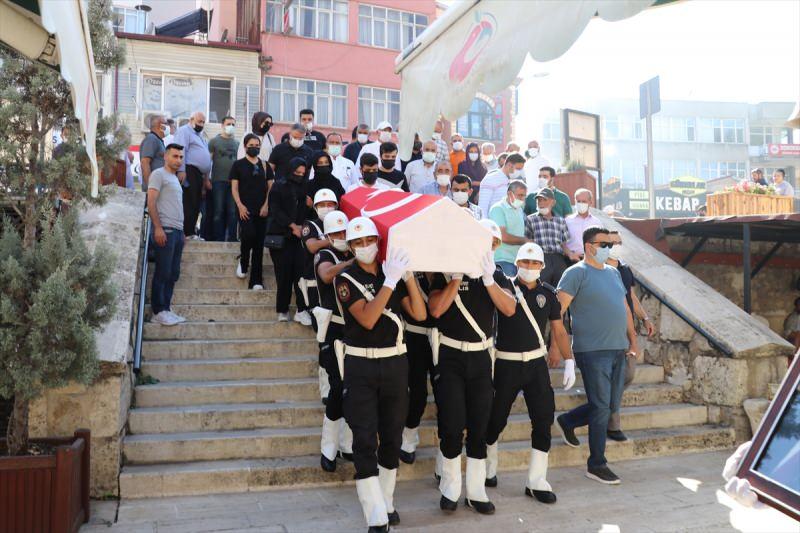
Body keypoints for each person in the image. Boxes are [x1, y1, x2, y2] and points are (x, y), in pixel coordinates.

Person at [334, 217, 427, 532]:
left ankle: (386, 502)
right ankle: (375, 516)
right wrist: (389, 282)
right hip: (361, 365)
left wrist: (408, 277)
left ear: (378, 241)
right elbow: (368, 318)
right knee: (363, 439)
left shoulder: (392, 273)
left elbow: (420, 313)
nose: (365, 247)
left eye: (369, 241)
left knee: (392, 437)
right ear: (350, 247)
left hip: (395, 364)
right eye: (358, 243)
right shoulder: (346, 278)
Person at [428, 219, 516, 515]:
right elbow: (436, 309)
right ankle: (450, 488)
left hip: (481, 357)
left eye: (493, 243)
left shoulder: (496, 274)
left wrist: (489, 280)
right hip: (451, 355)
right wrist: (456, 278)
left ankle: (476, 491)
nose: (488, 247)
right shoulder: (447, 272)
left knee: (479, 424)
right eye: (483, 241)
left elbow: (509, 308)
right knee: (452, 424)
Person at [484, 243, 576, 503]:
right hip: (507, 363)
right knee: (496, 418)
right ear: (517, 263)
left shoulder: (548, 293)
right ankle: (488, 466)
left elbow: (558, 330)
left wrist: (569, 360)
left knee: (543, 419)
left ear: (542, 267)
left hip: (536, 364)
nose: (529, 267)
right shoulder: (504, 288)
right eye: (525, 262)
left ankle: (536, 481)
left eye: (535, 263)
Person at [555, 227, 639, 485]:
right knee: (602, 406)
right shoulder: (575, 273)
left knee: (609, 406)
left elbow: (625, 308)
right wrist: (557, 347)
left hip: (618, 349)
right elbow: (557, 312)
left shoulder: (613, 273)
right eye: (604, 244)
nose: (608, 249)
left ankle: (568, 421)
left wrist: (633, 340)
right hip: (591, 351)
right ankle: (597, 464)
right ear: (589, 246)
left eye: (611, 245)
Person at [605, 230, 656, 440]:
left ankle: (602, 412)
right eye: (611, 243)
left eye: (619, 242)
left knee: (628, 375)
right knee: (615, 377)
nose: (616, 246)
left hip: (627, 327)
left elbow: (631, 297)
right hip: (608, 329)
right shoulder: (599, 269)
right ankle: (612, 425)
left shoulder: (624, 268)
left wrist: (645, 317)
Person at [315, 210, 355, 473]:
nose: (340, 236)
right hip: (333, 332)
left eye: (343, 232)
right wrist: (351, 262)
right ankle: (328, 447)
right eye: (335, 233)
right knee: (338, 388)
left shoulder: (352, 252)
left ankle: (346, 443)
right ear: (328, 235)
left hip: (353, 331)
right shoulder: (325, 254)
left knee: (353, 389)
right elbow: (327, 275)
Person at [267, 157, 311, 323]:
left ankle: (302, 309)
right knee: (283, 275)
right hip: (282, 236)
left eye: (302, 173)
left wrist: (309, 205)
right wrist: (292, 226)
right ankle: (282, 309)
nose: (299, 175)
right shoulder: (279, 186)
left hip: (299, 239)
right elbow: (275, 209)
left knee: (300, 274)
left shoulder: (305, 188)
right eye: (296, 172)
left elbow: (307, 213)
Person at [147, 144, 187, 326]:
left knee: (173, 273)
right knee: (163, 272)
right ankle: (158, 311)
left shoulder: (175, 178)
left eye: (181, 157)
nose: (178, 160)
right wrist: (157, 228)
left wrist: (182, 231)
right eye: (175, 156)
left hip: (177, 231)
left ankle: (166, 309)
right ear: (165, 156)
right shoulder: (158, 174)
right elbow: (151, 202)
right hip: (165, 229)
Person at [230, 134, 273, 290]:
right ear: (245, 146)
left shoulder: (265, 165)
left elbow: (271, 187)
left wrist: (266, 205)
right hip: (244, 209)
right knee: (249, 235)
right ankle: (243, 261)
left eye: (257, 145)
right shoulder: (238, 165)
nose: (254, 147)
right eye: (251, 145)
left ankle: (256, 280)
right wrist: (240, 205)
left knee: (259, 245)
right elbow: (234, 188)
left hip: (261, 210)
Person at [300, 188, 339, 327]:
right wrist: (334, 241)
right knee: (320, 324)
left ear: (336, 206)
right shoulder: (310, 225)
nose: (326, 208)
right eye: (322, 205)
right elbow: (312, 246)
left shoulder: (340, 224)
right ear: (316, 208)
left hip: (337, 280)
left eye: (330, 204)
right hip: (315, 283)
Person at [174, 111, 212, 239]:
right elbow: (180, 150)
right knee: (189, 202)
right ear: (191, 120)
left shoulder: (200, 135)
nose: (201, 124)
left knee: (195, 203)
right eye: (199, 121)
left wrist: (206, 178)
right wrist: (181, 170)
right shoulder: (184, 131)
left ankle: (190, 231)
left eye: (203, 122)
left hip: (198, 174)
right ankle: (186, 232)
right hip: (189, 170)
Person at [524, 188, 571, 285]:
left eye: (544, 200)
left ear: (553, 202)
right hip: (540, 258)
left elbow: (564, 244)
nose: (541, 203)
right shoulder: (530, 219)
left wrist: (571, 254)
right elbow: (527, 241)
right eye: (539, 200)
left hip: (558, 259)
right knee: (542, 286)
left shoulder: (560, 221)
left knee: (561, 286)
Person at [489, 180, 531, 276]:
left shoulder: (519, 209)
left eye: (524, 196)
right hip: (503, 261)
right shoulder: (498, 209)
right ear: (509, 193)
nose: (522, 199)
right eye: (520, 195)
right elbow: (502, 237)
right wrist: (525, 241)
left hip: (517, 262)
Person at [208, 116, 239, 242]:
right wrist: (207, 179)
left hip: (234, 183)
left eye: (233, 124)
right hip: (218, 181)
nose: (231, 126)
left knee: (232, 211)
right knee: (218, 211)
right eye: (228, 124)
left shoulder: (237, 143)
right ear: (222, 125)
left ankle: (232, 238)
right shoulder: (214, 141)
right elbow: (208, 162)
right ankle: (218, 239)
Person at [478, 152, 526, 219]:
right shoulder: (491, 179)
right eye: (518, 169)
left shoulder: (512, 181)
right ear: (509, 165)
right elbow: (482, 207)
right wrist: (485, 224)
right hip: (493, 222)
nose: (520, 172)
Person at [565, 188, 602, 261]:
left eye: (584, 201)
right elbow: (561, 243)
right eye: (578, 201)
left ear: (590, 202)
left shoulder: (597, 223)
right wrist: (570, 254)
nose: (581, 204)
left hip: (591, 260)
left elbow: (601, 243)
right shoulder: (567, 221)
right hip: (571, 260)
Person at [139, 114, 166, 191]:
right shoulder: (151, 139)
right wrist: (150, 187)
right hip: (153, 189)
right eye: (165, 123)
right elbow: (145, 162)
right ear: (160, 125)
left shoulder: (157, 140)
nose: (168, 127)